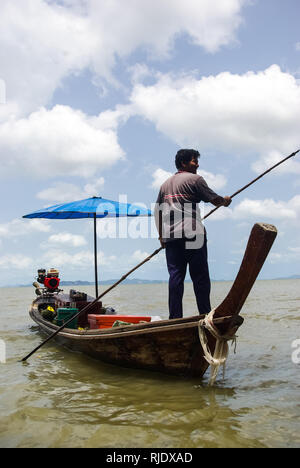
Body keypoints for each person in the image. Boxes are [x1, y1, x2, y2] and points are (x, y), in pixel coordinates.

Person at [154, 149, 232, 319]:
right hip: (193, 234)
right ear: (183, 163)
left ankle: (175, 319)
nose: (197, 164)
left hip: (171, 237)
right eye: (194, 161)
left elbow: (157, 212)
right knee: (200, 277)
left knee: (175, 278)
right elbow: (214, 199)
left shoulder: (165, 185)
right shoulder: (195, 179)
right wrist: (225, 201)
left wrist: (161, 237)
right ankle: (205, 315)